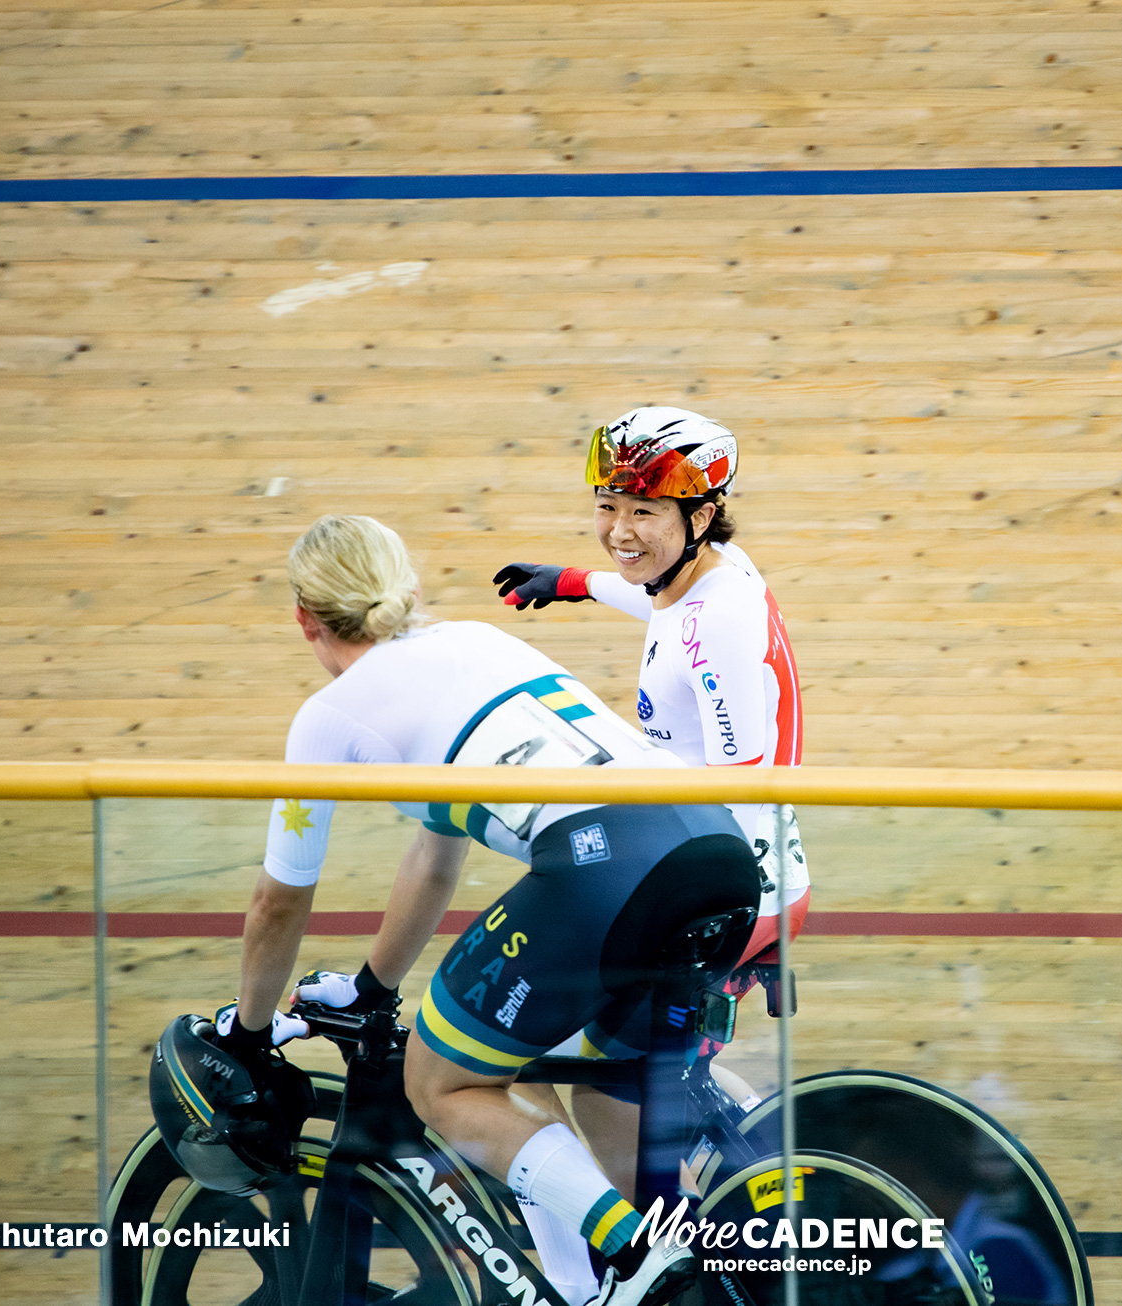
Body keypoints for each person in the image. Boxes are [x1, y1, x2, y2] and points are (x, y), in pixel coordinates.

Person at [215, 513, 759, 1306]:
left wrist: (250, 1030)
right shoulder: (471, 641)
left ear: (304, 618)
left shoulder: (326, 719)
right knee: (596, 1086)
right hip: (714, 842)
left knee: (441, 1079)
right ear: (411, 592)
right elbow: (437, 854)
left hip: (604, 867)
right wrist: (372, 985)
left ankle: (637, 1253)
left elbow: (277, 902)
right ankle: (628, 1280)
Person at [492, 406, 809, 964]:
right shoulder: (717, 569)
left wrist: (681, 902)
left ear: (702, 517)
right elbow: (668, 606)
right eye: (607, 506)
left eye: (644, 511)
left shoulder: (717, 622)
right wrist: (576, 582)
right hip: (711, 846)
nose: (620, 531)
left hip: (730, 883)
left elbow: (739, 788)